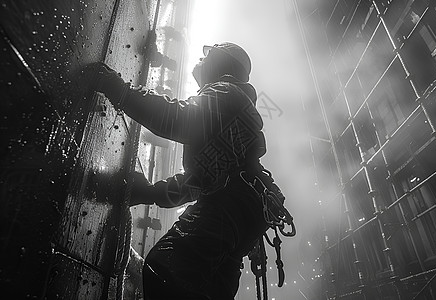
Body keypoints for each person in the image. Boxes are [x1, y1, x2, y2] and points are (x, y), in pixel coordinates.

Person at [86, 42, 286, 300]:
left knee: (165, 270)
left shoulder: (226, 92)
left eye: (208, 55)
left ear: (222, 63)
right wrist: (149, 193)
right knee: (210, 290)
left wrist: (120, 91)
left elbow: (180, 120)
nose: (201, 59)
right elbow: (199, 181)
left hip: (228, 207)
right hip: (242, 214)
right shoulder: (236, 108)